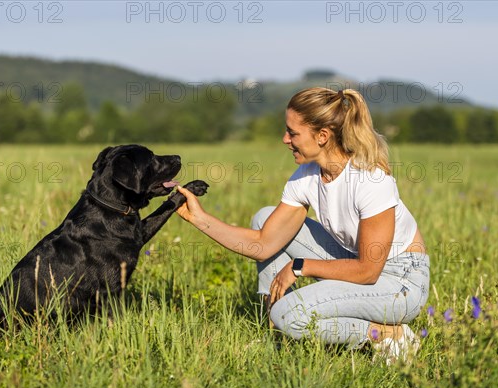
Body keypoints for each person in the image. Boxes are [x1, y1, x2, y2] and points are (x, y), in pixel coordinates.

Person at [176, 87, 429, 364]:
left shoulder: (369, 180)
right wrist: (199, 218)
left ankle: (386, 334)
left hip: (399, 284)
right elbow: (263, 244)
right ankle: (272, 329)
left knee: (290, 315)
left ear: (322, 136)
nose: (285, 139)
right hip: (357, 264)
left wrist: (300, 266)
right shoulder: (306, 176)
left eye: (293, 133)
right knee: (265, 217)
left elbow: (368, 271)